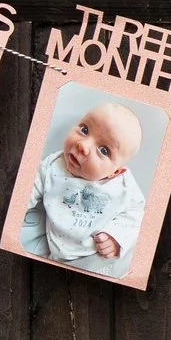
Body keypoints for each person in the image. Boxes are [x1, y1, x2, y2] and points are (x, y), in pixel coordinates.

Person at [18, 100, 148, 277]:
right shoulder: (53, 165)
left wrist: (116, 236)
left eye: (103, 150)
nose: (83, 145)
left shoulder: (123, 185)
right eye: (84, 130)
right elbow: (27, 189)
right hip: (57, 253)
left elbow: (137, 212)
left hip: (97, 257)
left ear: (116, 172)